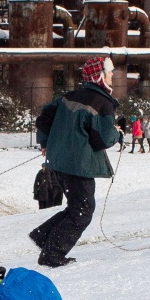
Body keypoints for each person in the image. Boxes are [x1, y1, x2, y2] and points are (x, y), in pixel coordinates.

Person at [30, 56, 120, 267]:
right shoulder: (103, 103)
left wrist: (45, 142)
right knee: (83, 211)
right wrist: (117, 134)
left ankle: (43, 236)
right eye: (109, 72)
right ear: (100, 76)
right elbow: (103, 140)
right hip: (79, 166)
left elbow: (44, 118)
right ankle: (51, 254)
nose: (112, 75)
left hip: (60, 163)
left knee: (77, 206)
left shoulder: (68, 96)